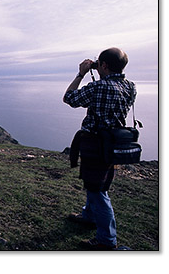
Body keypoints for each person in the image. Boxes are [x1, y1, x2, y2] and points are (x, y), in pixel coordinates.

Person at [63, 47, 136, 250]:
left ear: (103, 65)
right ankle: (89, 216)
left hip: (95, 143)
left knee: (97, 191)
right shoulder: (130, 87)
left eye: (99, 64)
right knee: (96, 184)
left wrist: (81, 74)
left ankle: (107, 240)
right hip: (113, 144)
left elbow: (69, 98)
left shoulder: (99, 87)